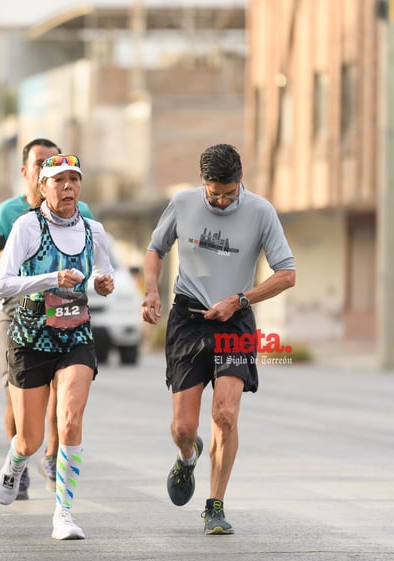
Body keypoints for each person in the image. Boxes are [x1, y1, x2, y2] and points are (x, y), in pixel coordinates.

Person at [141, 143, 296, 535]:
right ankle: (187, 457)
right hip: (188, 320)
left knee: (225, 415)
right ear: (202, 183)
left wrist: (240, 299)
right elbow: (155, 249)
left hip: (235, 321)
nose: (223, 201)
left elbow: (286, 274)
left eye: (230, 193)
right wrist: (151, 290)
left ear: (240, 180)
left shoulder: (261, 212)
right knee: (183, 427)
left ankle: (215, 505)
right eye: (215, 194)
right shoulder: (182, 203)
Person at [0, 154, 114, 540]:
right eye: (58, 181)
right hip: (30, 336)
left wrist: (104, 282)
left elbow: (104, 270)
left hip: (75, 334)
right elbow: (3, 283)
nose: (67, 188)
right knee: (30, 438)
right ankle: (14, 463)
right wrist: (50, 279)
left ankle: (63, 513)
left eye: (74, 180)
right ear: (42, 187)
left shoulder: (94, 230)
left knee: (70, 420)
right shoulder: (27, 226)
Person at [0, 138, 95, 498]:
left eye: (67, 174)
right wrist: (28, 244)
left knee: (65, 398)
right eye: (43, 164)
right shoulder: (10, 214)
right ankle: (21, 456)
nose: (60, 178)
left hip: (67, 313)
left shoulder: (84, 213)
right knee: (19, 404)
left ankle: (52, 458)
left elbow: (91, 259)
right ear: (28, 172)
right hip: (19, 313)